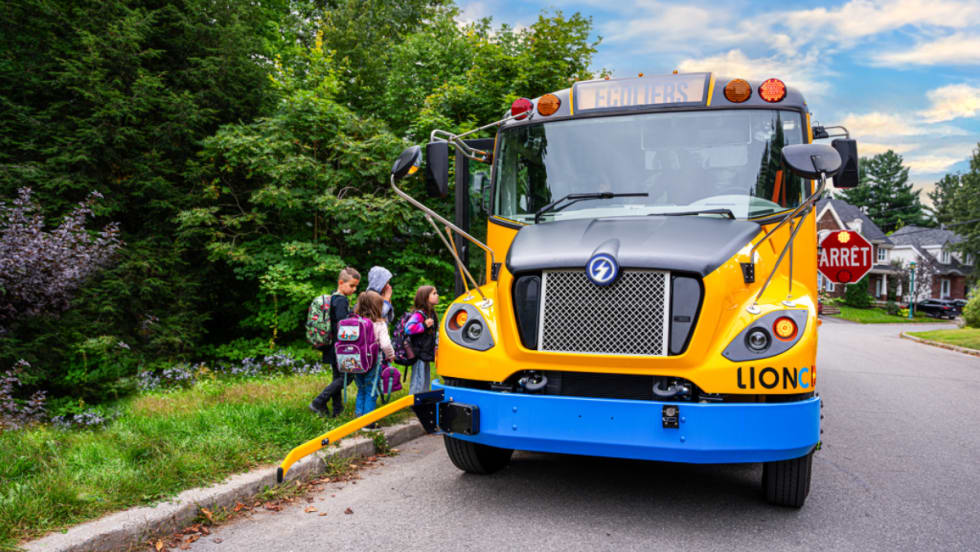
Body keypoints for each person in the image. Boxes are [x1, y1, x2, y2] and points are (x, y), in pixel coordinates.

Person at [309, 267, 360, 417]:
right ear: (341, 283)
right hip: (339, 346)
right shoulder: (341, 301)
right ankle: (318, 401)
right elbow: (343, 326)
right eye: (352, 285)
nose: (354, 289)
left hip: (330, 345)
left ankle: (337, 410)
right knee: (346, 377)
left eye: (356, 286)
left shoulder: (332, 297)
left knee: (337, 377)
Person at [352, 290, 395, 418]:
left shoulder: (355, 321)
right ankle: (368, 421)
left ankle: (359, 417)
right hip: (373, 361)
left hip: (356, 360)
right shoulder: (379, 323)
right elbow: (386, 344)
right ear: (377, 307)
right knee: (371, 390)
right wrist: (391, 355)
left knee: (361, 389)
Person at [405, 285, 439, 394]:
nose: (437, 295)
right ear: (425, 297)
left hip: (426, 354)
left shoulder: (431, 313)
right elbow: (408, 329)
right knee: (418, 381)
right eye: (434, 293)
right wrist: (424, 325)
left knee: (425, 380)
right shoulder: (419, 314)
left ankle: (423, 402)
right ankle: (414, 403)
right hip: (418, 354)